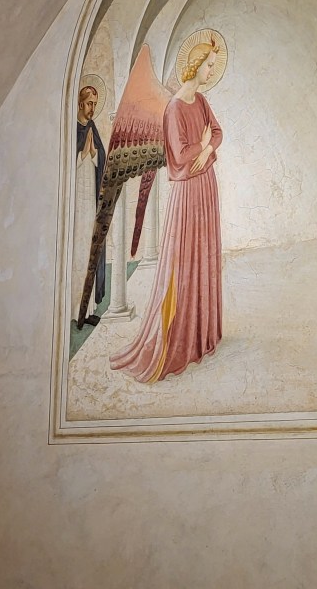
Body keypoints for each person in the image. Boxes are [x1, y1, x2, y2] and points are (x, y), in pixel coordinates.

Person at [109, 40, 223, 382]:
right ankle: (178, 338)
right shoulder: (174, 108)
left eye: (214, 64)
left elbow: (217, 132)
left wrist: (206, 148)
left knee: (204, 257)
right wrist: (202, 148)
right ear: (194, 64)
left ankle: (202, 335)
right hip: (188, 192)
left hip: (206, 187)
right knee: (183, 262)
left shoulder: (201, 100)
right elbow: (179, 153)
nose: (210, 70)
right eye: (208, 64)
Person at [72, 85, 106, 326]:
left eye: (95, 103)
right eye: (89, 103)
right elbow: (65, 164)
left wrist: (94, 154)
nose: (92, 107)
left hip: (90, 200)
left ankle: (89, 307)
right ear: (80, 104)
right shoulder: (73, 130)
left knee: (90, 248)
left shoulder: (92, 128)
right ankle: (74, 310)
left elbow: (100, 156)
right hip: (76, 204)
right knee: (78, 251)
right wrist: (83, 154)